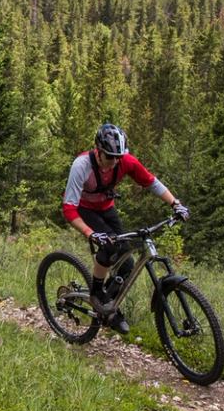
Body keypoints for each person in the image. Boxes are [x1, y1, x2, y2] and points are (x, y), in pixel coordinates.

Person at [61, 123, 188, 330]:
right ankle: (97, 293)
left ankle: (109, 309)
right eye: (109, 157)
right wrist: (90, 233)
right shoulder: (81, 165)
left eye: (117, 157)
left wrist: (176, 204)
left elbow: (151, 182)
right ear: (98, 151)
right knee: (109, 246)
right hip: (84, 210)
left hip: (106, 208)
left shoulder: (125, 161)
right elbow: (69, 209)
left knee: (126, 262)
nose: (114, 162)